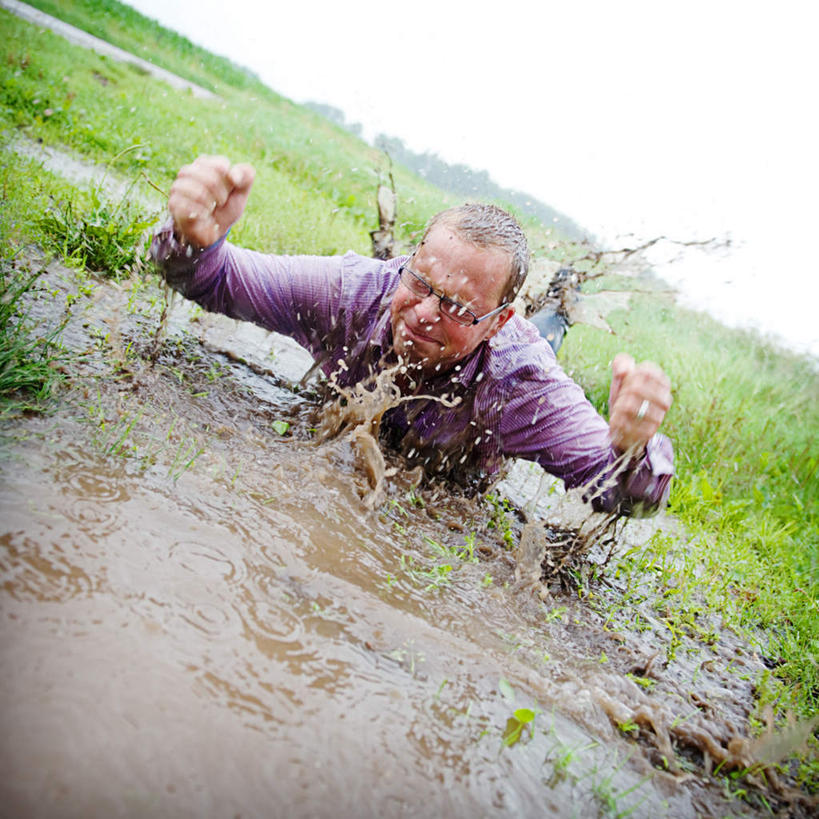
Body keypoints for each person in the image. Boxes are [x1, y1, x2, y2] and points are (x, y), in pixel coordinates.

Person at [151, 156, 673, 514]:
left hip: (517, 352)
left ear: (496, 322)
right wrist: (195, 240)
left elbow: (624, 493)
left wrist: (630, 450)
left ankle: (559, 305)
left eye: (456, 306)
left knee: (549, 329)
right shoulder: (352, 293)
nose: (423, 313)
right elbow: (216, 281)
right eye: (419, 282)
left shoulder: (521, 384)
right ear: (406, 262)